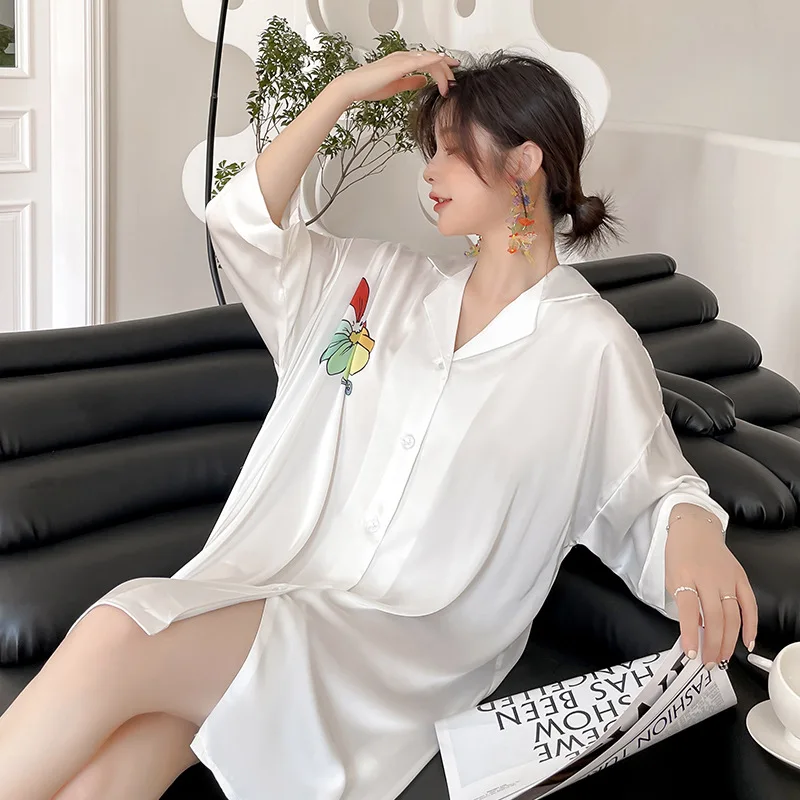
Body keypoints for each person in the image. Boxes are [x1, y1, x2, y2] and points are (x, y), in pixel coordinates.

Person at [0, 49, 757, 800]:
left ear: (525, 161)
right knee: (121, 761)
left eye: (452, 151)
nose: (430, 172)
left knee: (120, 629)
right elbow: (240, 224)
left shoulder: (590, 346)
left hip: (405, 648)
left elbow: (652, 488)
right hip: (287, 587)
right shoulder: (380, 284)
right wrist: (338, 95)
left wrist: (696, 529)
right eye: (431, 151)